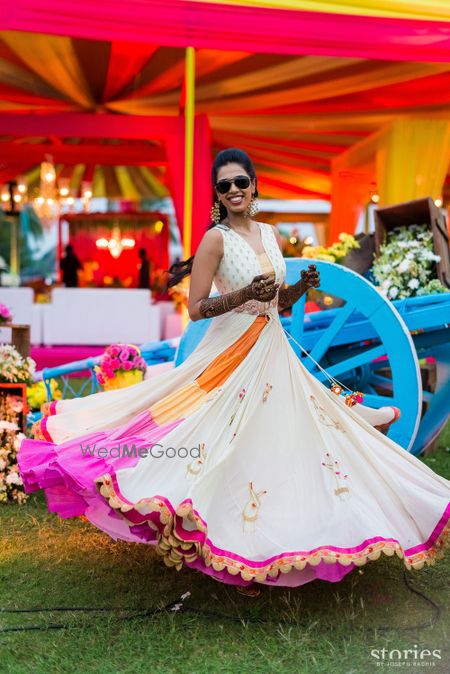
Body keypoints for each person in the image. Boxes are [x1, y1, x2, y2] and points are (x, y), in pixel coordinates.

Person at [18, 149, 449, 598]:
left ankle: (283, 535)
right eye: (224, 186)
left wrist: (300, 287)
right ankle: (231, 546)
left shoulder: (269, 233)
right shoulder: (215, 241)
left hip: (273, 348)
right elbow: (197, 307)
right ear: (217, 196)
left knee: (279, 441)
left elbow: (277, 302)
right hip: (230, 353)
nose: (235, 191)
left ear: (254, 185)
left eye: (241, 182)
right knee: (224, 444)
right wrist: (241, 293)